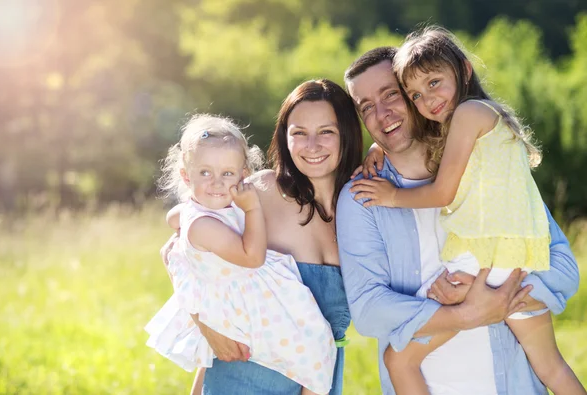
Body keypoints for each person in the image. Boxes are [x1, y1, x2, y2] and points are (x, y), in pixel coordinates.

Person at [348, 27, 585, 395]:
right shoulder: (362, 195)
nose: (383, 113)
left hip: (486, 280)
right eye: (366, 107)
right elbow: (367, 311)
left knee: (399, 359)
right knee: (553, 368)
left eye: (392, 95)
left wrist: (491, 302)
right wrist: (472, 311)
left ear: (463, 70)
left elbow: (565, 270)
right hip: (502, 269)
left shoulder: (474, 138)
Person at [160, 79, 363, 394]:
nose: (312, 145)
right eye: (299, 133)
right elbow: (178, 247)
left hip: (318, 379)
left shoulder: (363, 208)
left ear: (346, 135)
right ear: (285, 137)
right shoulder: (261, 191)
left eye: (326, 131)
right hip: (243, 375)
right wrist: (205, 324)